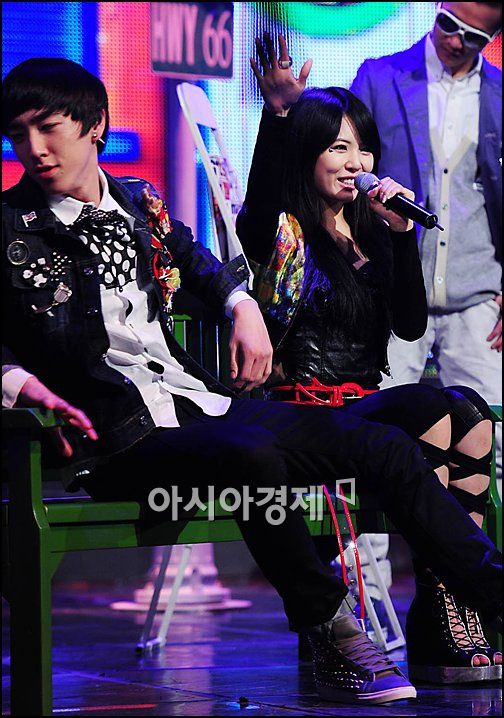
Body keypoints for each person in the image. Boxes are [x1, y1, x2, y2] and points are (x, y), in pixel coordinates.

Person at [2, 58, 502, 706]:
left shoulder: (139, 203)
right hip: (118, 435)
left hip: (200, 404)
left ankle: (491, 593)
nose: (35, 148)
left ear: (95, 125)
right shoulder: (10, 226)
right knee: (252, 455)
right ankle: (332, 630)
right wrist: (19, 382)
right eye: (19, 133)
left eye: (49, 128)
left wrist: (241, 307)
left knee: (386, 445)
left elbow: (205, 269)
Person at [236, 32, 502, 683]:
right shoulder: (284, 233)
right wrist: (278, 116)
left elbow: (409, 324)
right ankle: (458, 606)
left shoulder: (370, 235)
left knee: (469, 413)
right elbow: (258, 209)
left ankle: (444, 603)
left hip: (362, 407)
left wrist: (402, 236)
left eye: (363, 148)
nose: (356, 162)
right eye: (338, 147)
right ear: (308, 154)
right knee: (433, 424)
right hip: (301, 411)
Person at [349, 2, 502, 490]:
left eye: (473, 36)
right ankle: (380, 549)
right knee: (378, 440)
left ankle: (475, 543)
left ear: (492, 38)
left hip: (476, 298)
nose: (455, 41)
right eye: (448, 24)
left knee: (491, 445)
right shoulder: (379, 79)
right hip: (396, 293)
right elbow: (341, 168)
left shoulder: (499, 95)